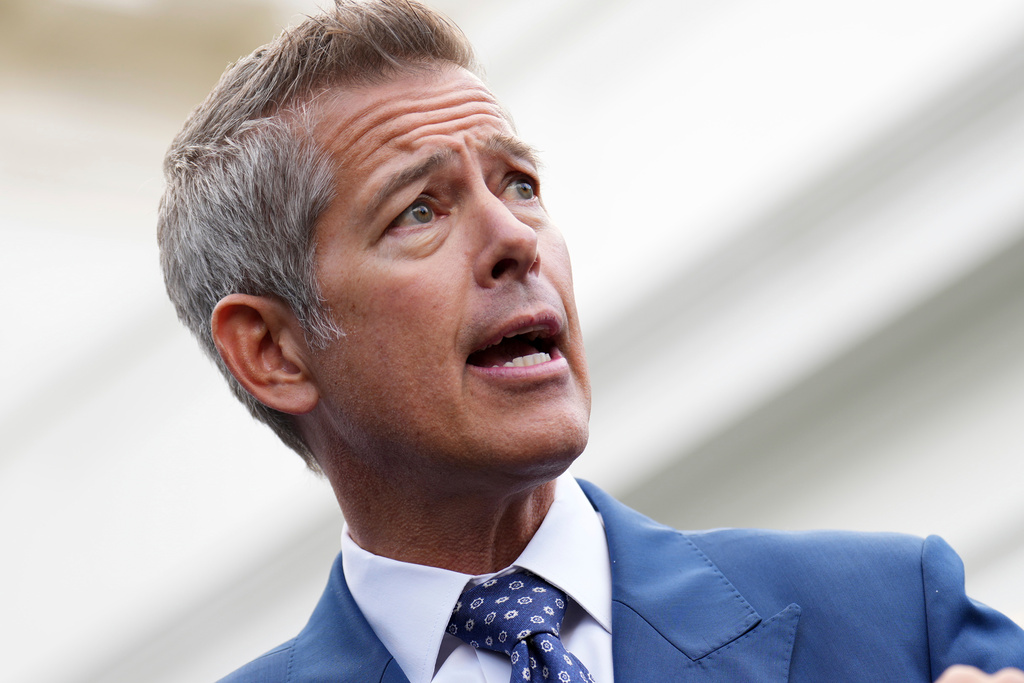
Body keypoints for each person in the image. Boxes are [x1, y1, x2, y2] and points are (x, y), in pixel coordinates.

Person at [157, 1, 1024, 681]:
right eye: (419, 211)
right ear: (271, 350)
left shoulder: (898, 617)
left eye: (520, 184)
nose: (514, 239)